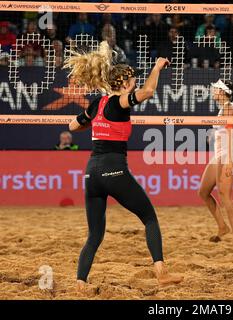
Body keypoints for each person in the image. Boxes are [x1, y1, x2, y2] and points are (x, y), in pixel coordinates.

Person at [65, 41, 183, 290]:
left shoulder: (98, 103)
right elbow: (149, 91)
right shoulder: (119, 103)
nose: (136, 85)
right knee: (149, 217)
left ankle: (79, 282)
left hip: (91, 172)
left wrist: (94, 124)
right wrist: (157, 67)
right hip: (113, 169)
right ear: (126, 84)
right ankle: (161, 272)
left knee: (94, 235)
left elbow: (73, 127)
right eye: (133, 82)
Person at [198, 79, 233, 243]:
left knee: (225, 197)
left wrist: (231, 160)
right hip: (218, 155)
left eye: (216, 88)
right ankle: (223, 227)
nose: (213, 90)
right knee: (203, 192)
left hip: (225, 156)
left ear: (223, 92)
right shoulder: (225, 109)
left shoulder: (229, 109)